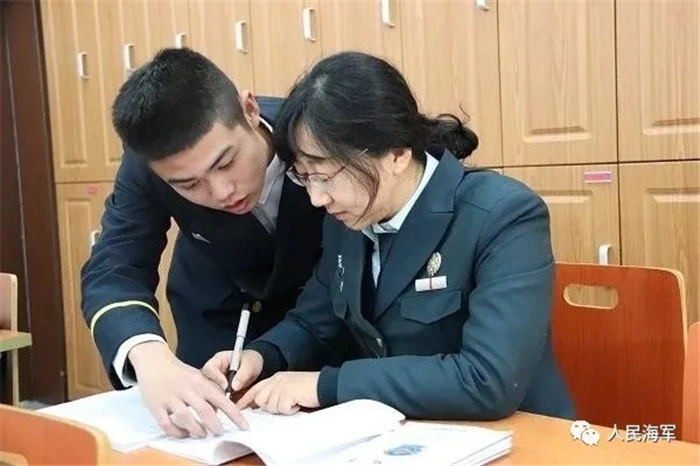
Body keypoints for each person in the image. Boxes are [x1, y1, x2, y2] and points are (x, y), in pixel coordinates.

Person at [202, 51, 575, 421]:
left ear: (396, 153)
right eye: (304, 176)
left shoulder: (502, 215)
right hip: (407, 434)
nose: (317, 198)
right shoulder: (349, 217)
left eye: (325, 175)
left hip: (521, 435)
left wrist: (327, 385)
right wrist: (261, 355)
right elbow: (315, 321)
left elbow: (486, 379)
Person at [80, 48, 326, 438]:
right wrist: (149, 357)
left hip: (320, 318)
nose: (222, 191)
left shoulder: (313, 129)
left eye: (225, 163)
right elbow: (114, 267)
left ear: (249, 110)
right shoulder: (149, 165)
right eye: (189, 184)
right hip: (216, 321)